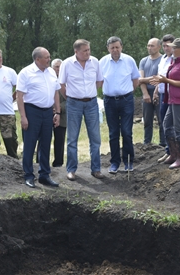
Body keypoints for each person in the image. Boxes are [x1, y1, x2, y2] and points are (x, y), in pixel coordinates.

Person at [59, 39, 105, 181]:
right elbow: (61, 84)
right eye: (85, 51)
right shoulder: (67, 64)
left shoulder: (95, 62)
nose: (88, 53)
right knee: (72, 138)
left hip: (91, 103)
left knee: (95, 138)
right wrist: (72, 97)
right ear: (76, 51)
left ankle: (96, 169)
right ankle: (71, 169)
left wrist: (89, 92)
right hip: (73, 103)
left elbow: (99, 80)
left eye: (88, 50)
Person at [16, 47, 61, 188]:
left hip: (48, 112)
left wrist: (57, 112)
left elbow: (56, 93)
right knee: (30, 144)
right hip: (32, 111)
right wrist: (23, 116)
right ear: (37, 59)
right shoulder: (25, 73)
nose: (49, 59)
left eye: (49, 56)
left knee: (46, 144)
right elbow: (19, 96)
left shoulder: (51, 72)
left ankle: (44, 175)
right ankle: (28, 175)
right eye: (46, 57)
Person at [151, 38, 180, 169]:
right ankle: (174, 153)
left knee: (179, 128)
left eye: (174, 47)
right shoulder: (176, 61)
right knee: (167, 124)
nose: (171, 49)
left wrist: (166, 80)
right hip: (173, 98)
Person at [99, 36, 140, 174]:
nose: (115, 50)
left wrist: (127, 92)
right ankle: (115, 163)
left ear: (121, 47)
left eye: (117, 47)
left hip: (126, 100)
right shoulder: (102, 62)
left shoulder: (129, 60)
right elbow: (98, 81)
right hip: (109, 101)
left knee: (127, 132)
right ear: (108, 49)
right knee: (113, 133)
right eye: (112, 48)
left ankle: (128, 161)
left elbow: (135, 79)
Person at [153, 34, 175, 163]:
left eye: (169, 45)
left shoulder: (176, 60)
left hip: (172, 95)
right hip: (162, 94)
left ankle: (174, 152)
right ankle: (168, 150)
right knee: (164, 124)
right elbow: (159, 76)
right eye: (165, 45)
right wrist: (156, 90)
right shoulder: (163, 59)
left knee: (170, 124)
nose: (166, 48)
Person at [138, 38, 163, 146]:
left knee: (162, 120)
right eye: (148, 45)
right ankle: (147, 143)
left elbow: (160, 78)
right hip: (147, 92)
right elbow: (140, 79)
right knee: (147, 121)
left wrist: (155, 93)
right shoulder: (143, 61)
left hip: (160, 92)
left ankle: (163, 143)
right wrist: (145, 94)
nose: (149, 48)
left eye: (152, 46)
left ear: (159, 47)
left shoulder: (163, 60)